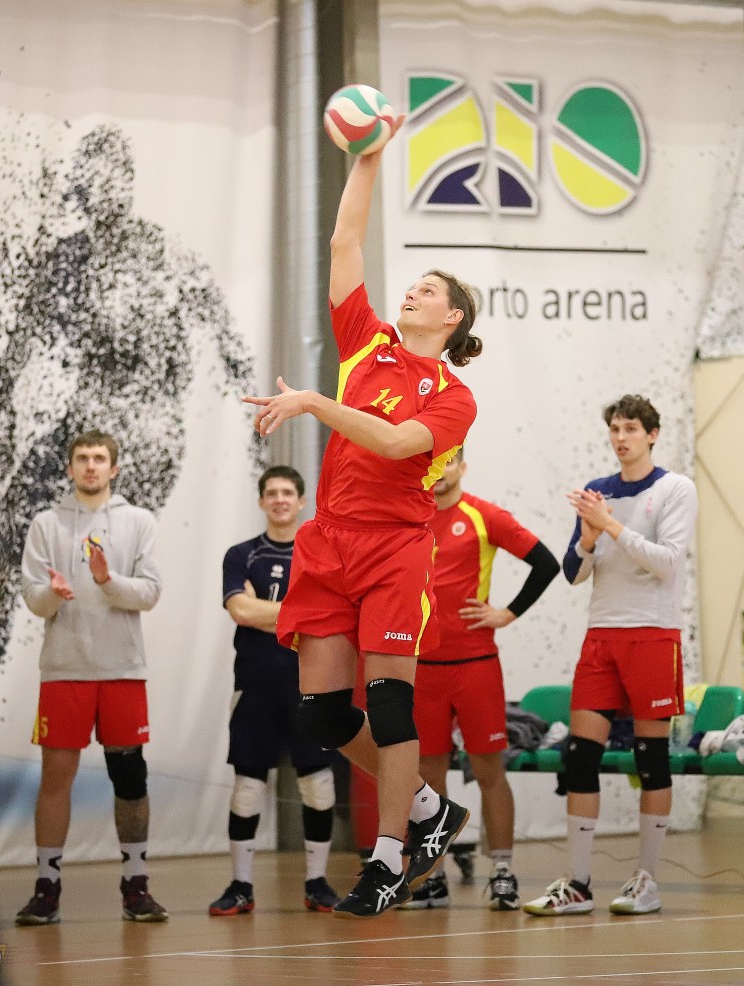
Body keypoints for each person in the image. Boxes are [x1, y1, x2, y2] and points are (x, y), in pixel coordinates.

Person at [244, 118, 483, 918]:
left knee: (387, 706)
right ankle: (428, 810)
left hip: (394, 550)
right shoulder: (365, 345)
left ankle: (387, 860)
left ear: (452, 318)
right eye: (411, 285)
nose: (412, 291)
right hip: (331, 542)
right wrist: (367, 157)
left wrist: (314, 403)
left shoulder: (453, 397)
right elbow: (345, 240)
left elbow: (393, 443)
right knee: (320, 713)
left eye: (429, 291)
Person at [524, 395, 698, 917]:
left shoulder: (675, 489)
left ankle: (646, 881)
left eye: (630, 429)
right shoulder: (598, 492)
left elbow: (667, 563)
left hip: (653, 636)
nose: (620, 438)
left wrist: (613, 527)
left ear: (652, 434)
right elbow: (574, 574)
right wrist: (588, 538)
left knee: (651, 758)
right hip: (601, 637)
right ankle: (578, 884)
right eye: (615, 429)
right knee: (581, 756)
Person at [15, 429, 167, 925]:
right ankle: (47, 886)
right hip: (65, 669)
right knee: (55, 777)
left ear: (114, 468)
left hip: (122, 669)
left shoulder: (139, 522)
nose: (91, 466)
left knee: (130, 776)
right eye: (82, 458)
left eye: (99, 458)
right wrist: (54, 593)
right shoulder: (46, 524)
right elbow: (33, 598)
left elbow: (150, 593)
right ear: (69, 467)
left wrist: (106, 580)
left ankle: (136, 883)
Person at [401, 447, 559, 911]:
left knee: (490, 770)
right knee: (428, 776)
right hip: (422, 668)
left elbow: (546, 563)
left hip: (475, 666)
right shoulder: (407, 519)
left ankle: (503, 872)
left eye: (449, 461)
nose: (440, 469)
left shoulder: (484, 516)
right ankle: (432, 878)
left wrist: (507, 613)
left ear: (462, 467)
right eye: (433, 461)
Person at [209, 465, 340, 916]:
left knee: (318, 785)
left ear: (302, 501)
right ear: (262, 501)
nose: (280, 499)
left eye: (288, 492)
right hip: (255, 683)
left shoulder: (322, 553)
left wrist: (264, 609)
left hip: (312, 683)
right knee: (247, 786)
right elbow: (240, 612)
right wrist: (296, 612)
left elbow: (327, 613)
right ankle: (241, 886)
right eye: (272, 492)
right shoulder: (241, 554)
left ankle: (317, 883)